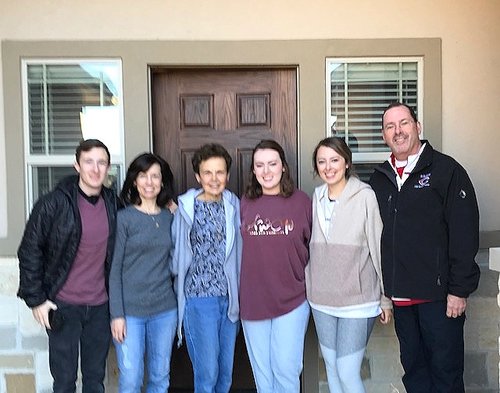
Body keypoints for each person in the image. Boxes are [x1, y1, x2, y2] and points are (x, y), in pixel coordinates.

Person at [370, 102, 480, 393]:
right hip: (402, 300)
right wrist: (384, 294)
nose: (398, 131)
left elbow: (464, 233)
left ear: (417, 127)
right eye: (390, 126)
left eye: (404, 123)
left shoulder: (446, 171)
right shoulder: (380, 179)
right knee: (415, 375)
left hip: (440, 299)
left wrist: (459, 290)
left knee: (446, 374)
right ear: (384, 135)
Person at [17, 139, 118, 393]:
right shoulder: (53, 203)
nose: (95, 169)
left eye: (102, 163)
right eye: (89, 162)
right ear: (77, 165)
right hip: (64, 307)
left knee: (95, 380)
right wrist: (37, 300)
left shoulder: (114, 204)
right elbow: (29, 250)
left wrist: (169, 205)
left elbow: (140, 216)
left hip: (99, 307)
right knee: (64, 381)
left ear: (108, 168)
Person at [306, 137, 392, 393]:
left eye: (334, 160)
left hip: (357, 300)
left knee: (347, 370)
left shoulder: (365, 196)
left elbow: (378, 248)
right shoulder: (317, 196)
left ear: (346, 163)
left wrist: (385, 298)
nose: (328, 167)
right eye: (322, 161)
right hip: (321, 300)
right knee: (332, 367)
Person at [239, 139, 312, 393]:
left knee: (286, 369)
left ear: (283, 167)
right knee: (263, 375)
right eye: (260, 165)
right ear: (254, 170)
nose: (266, 171)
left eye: (272, 164)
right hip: (253, 301)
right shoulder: (244, 203)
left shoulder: (302, 202)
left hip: (292, 299)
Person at [171, 143, 241, 393]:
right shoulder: (185, 209)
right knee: (207, 373)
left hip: (230, 299)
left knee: (226, 375)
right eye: (208, 173)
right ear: (198, 176)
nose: (214, 179)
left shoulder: (234, 207)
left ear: (228, 175)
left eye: (220, 172)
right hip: (200, 300)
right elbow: (175, 255)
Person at [109, 153, 177, 392]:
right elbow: (114, 268)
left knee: (160, 377)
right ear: (135, 181)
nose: (149, 182)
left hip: (165, 310)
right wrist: (116, 314)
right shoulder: (124, 219)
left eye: (155, 176)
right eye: (143, 176)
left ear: (162, 182)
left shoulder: (171, 217)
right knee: (130, 378)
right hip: (130, 313)